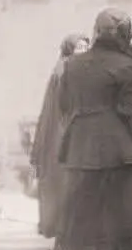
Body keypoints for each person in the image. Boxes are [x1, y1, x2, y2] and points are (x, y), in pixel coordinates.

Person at [44, 8, 132, 250]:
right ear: (125, 34)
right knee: (117, 218)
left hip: (80, 147)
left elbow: (65, 105)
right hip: (118, 151)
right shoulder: (128, 67)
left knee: (80, 216)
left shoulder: (72, 66)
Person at [30, 33, 89, 238]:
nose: (83, 51)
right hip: (60, 130)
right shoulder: (64, 70)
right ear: (69, 49)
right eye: (79, 47)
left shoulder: (70, 69)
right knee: (61, 180)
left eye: (86, 47)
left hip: (63, 129)